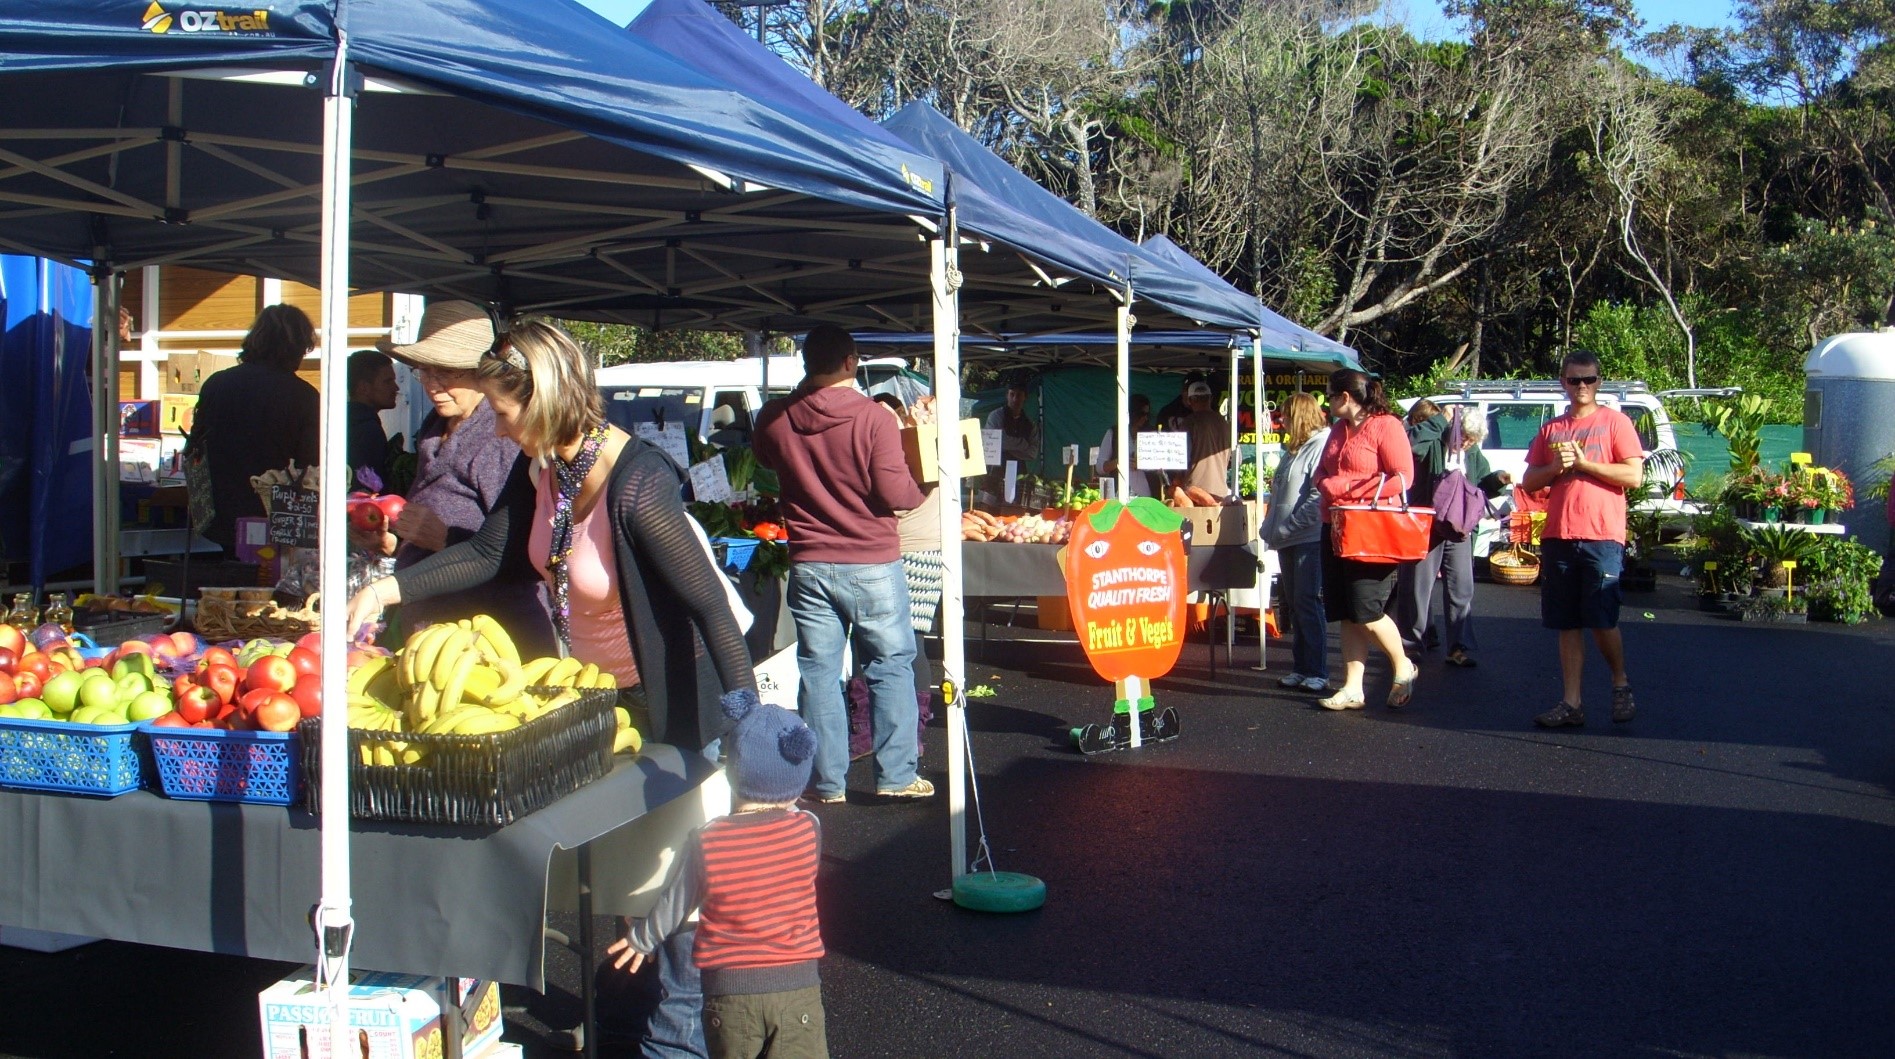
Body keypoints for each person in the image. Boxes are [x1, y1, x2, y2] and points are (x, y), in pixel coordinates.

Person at [346, 318, 757, 1059]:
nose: (497, 424)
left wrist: (744, 725)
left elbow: (709, 609)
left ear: (541, 400)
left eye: (505, 411)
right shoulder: (541, 469)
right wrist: (388, 592)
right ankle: (622, 1016)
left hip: (671, 704)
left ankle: (674, 1038)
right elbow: (489, 552)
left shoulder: (639, 484)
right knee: (621, 870)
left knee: (673, 877)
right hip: (593, 695)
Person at [753, 324, 930, 802]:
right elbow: (896, 494)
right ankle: (895, 777)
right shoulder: (874, 418)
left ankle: (827, 782)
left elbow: (764, 459)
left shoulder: (775, 417)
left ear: (807, 364)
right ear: (851, 362)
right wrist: (926, 487)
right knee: (890, 665)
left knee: (817, 670)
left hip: (809, 562)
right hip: (871, 560)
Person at [608, 690, 829, 1059]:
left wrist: (641, 940)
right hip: (797, 987)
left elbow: (676, 902)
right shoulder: (809, 829)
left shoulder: (708, 839)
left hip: (728, 994)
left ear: (731, 773)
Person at [376, 301, 555, 659]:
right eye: (424, 371)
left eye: (447, 373)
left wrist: (445, 539)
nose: (432, 385)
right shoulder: (434, 429)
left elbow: (524, 556)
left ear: (481, 373)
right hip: (435, 639)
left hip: (492, 645)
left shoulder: (502, 436)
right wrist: (395, 541)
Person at [1523, 349, 1643, 728]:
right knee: (1566, 621)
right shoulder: (1551, 430)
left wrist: (1585, 464)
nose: (1581, 387)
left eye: (1588, 379)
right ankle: (1571, 702)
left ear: (1599, 383)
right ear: (1563, 383)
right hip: (1559, 533)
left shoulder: (1616, 423)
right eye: (1574, 380)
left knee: (1602, 617)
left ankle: (1620, 682)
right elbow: (1529, 482)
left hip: (1602, 536)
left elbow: (1633, 477)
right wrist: (1556, 467)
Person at [1313, 369, 1420, 711]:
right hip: (1335, 527)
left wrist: (1348, 490)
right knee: (1346, 610)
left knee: (1367, 608)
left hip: (1371, 530)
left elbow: (1403, 478)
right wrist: (1327, 486)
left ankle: (1403, 664)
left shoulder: (1386, 425)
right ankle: (1352, 687)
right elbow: (1320, 473)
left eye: (1330, 396)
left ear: (1345, 397)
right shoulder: (1338, 430)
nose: (1326, 403)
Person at [187, 304, 319, 552]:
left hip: (220, 515)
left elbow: (196, 448)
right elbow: (310, 465)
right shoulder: (304, 396)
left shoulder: (217, 384)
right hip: (277, 518)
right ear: (297, 348)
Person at [1398, 404, 1505, 667]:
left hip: (1458, 528)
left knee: (1461, 587)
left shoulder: (1473, 453)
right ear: (1454, 430)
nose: (1467, 444)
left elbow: (1479, 487)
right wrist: (1438, 420)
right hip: (1427, 524)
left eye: (1473, 440)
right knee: (1417, 588)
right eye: (1465, 437)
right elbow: (1406, 443)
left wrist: (1498, 480)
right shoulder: (1433, 441)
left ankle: (1458, 647)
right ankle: (1412, 645)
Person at [1260, 393, 1331, 692]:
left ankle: (1317, 670)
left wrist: (1288, 526)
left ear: (1299, 416)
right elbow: (1280, 493)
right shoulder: (1294, 449)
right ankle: (1302, 667)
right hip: (1288, 538)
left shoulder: (1319, 446)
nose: (1282, 421)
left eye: (1286, 416)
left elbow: (1317, 498)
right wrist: (1269, 527)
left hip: (1307, 538)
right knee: (1294, 602)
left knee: (1307, 601)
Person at [346, 350, 400, 489]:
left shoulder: (346, 421)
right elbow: (370, 488)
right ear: (364, 388)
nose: (396, 388)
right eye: (387, 382)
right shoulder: (366, 428)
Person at [1179, 380, 1233, 499]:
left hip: (1194, 493)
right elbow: (1236, 460)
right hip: (1220, 492)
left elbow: (1181, 458)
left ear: (1190, 400)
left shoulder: (1189, 422)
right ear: (1211, 398)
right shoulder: (1225, 424)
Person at [1096, 393, 1157, 498]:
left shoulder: (1151, 433)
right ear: (1133, 413)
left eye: (1147, 414)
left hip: (1147, 497)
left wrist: (1143, 463)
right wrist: (1119, 462)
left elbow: (1161, 466)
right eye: (1142, 414)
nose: (1145, 418)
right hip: (1120, 496)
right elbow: (1100, 467)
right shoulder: (1114, 433)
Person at [985, 376, 1040, 470]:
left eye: (1019, 395)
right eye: (1012, 394)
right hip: (996, 471)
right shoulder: (996, 416)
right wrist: (1023, 443)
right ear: (1007, 396)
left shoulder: (1030, 424)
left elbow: (1033, 453)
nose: (1015, 399)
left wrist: (1006, 447)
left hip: (1020, 471)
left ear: (1025, 397)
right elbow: (994, 443)